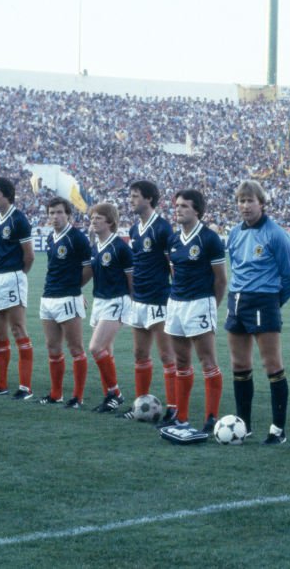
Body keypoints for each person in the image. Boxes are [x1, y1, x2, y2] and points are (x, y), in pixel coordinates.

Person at [225, 180, 290, 444]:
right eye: (241, 201)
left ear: (262, 203)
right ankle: (243, 426)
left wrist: (272, 304)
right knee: (240, 365)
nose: (244, 206)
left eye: (249, 201)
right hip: (237, 301)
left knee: (272, 365)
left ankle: (278, 430)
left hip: (263, 302)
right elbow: (235, 267)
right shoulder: (234, 233)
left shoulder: (275, 234)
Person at [160, 189, 227, 433]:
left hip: (200, 302)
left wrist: (211, 306)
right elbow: (174, 272)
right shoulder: (174, 240)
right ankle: (182, 416)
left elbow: (221, 281)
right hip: (176, 303)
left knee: (207, 362)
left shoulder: (209, 239)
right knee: (181, 362)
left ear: (197, 210)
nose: (178, 209)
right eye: (177, 205)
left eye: (185, 206)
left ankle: (211, 417)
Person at [122, 180, 178, 422]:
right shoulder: (135, 230)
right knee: (140, 354)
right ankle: (140, 404)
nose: (131, 200)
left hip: (159, 300)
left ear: (149, 199)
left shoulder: (163, 229)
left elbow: (173, 267)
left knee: (167, 356)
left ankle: (173, 408)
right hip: (139, 301)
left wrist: (174, 298)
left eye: (135, 196)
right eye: (131, 195)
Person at [0, 177, 35, 399]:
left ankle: (25, 387)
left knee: (18, 330)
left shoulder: (19, 219)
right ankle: (0, 384)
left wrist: (18, 274)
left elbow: (29, 255)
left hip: (12, 277)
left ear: (8, 196)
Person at [36, 198, 93, 406]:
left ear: (69, 215)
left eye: (59, 212)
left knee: (76, 348)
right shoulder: (51, 237)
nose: (55, 217)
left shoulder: (77, 238)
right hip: (48, 297)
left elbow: (89, 268)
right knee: (52, 347)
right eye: (51, 213)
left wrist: (75, 289)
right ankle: (55, 394)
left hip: (68, 298)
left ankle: (77, 397)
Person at [82, 202, 132, 412]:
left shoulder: (120, 247)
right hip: (100, 301)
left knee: (95, 347)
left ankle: (116, 393)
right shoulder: (95, 247)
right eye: (92, 218)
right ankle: (109, 397)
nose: (93, 221)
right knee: (106, 351)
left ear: (110, 222)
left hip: (117, 300)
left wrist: (133, 302)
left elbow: (132, 279)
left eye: (98, 218)